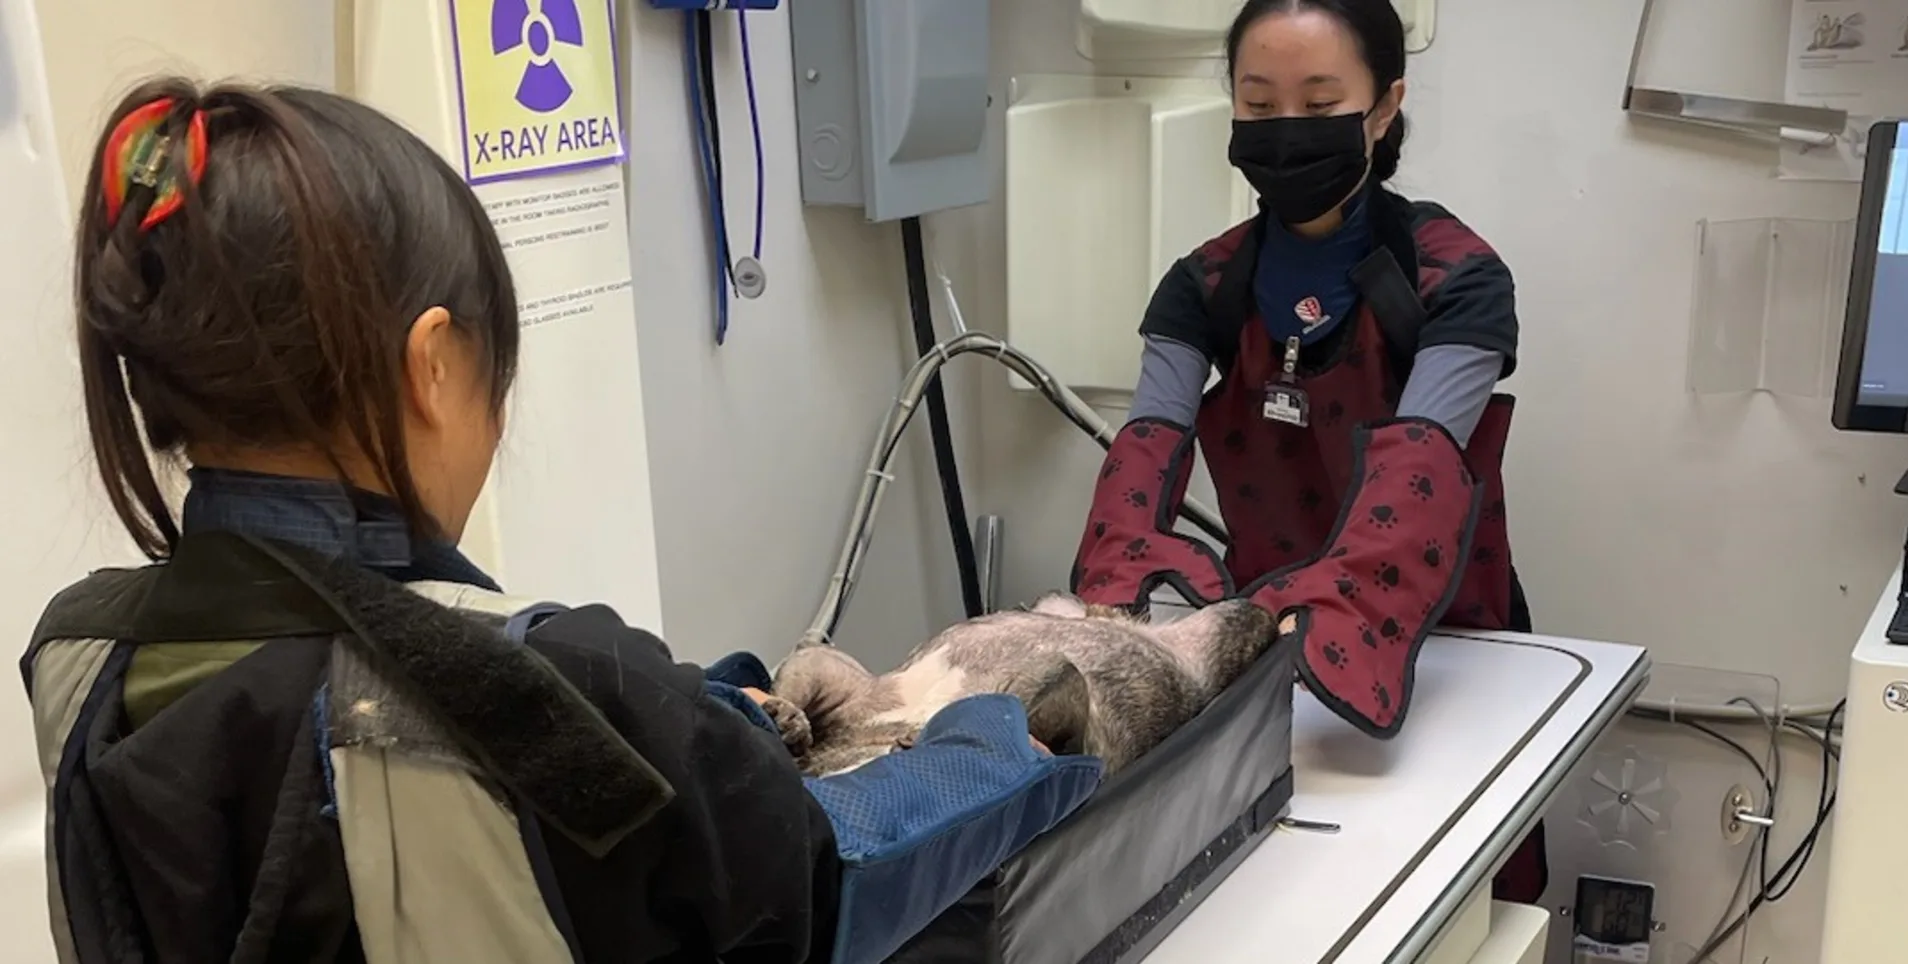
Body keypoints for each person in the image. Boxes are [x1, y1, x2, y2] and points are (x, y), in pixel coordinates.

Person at [24, 79, 1099, 964]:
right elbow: (826, 875)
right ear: (436, 365)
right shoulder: (538, 683)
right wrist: (991, 740)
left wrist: (708, 707)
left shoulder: (82, 660)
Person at [1068, 0, 1547, 902]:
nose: (1285, 133)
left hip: (1455, 644)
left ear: (1382, 106)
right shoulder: (1203, 284)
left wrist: (1323, 599)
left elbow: (1423, 461)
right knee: (1275, 888)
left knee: (1465, 889)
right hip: (1266, 643)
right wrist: (1110, 592)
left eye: (1318, 101)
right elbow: (1149, 443)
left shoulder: (1453, 276)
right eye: (1258, 105)